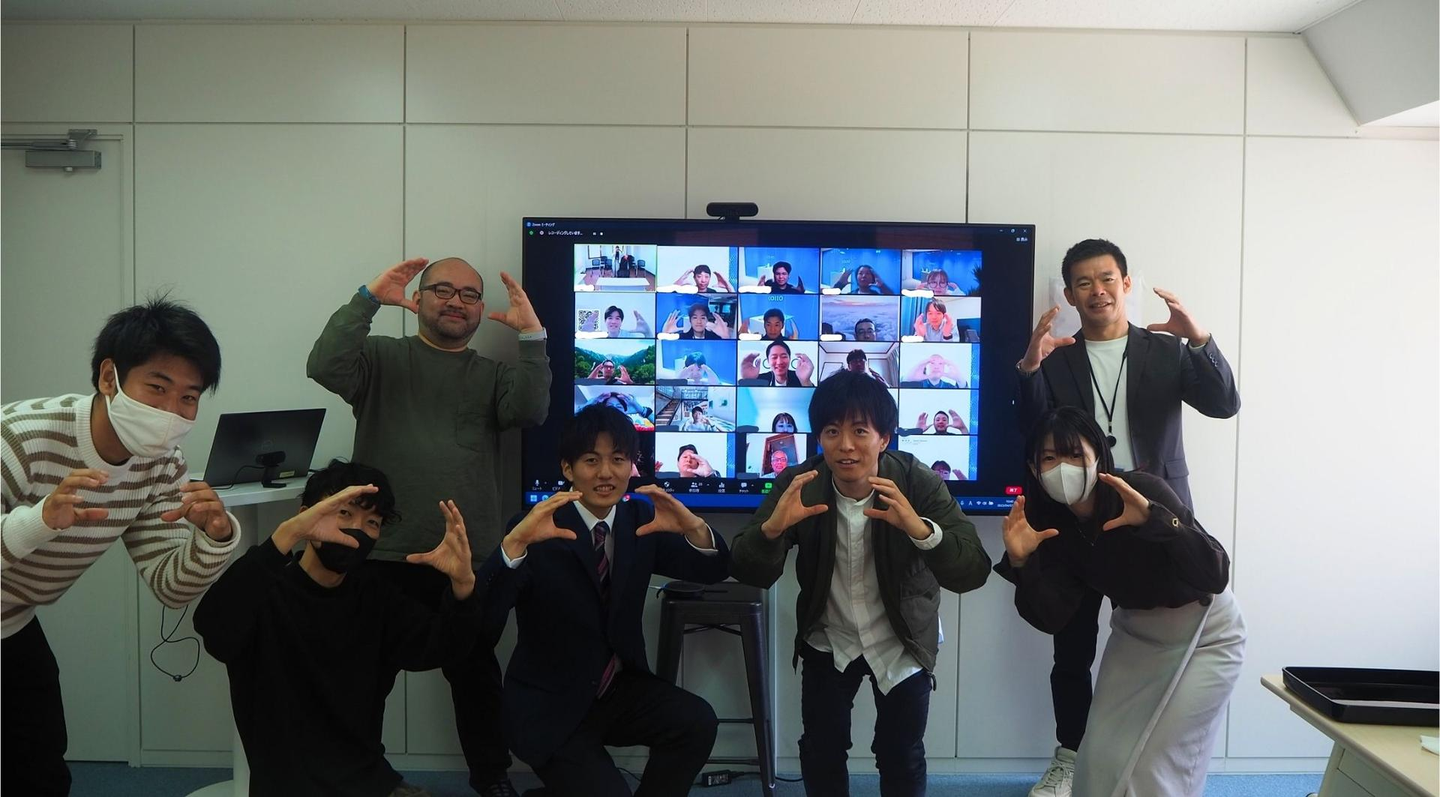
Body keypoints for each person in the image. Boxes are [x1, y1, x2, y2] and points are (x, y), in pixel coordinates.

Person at [307, 256, 551, 796]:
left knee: (476, 675)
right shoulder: (380, 357)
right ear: (417, 300)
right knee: (365, 675)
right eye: (442, 290)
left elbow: (532, 410)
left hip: (465, 557)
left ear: (480, 310)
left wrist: (532, 335)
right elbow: (324, 365)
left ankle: (491, 778)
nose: (455, 302)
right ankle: (364, 778)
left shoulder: (492, 374)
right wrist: (368, 299)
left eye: (469, 294)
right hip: (381, 550)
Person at [1014, 238, 1240, 797]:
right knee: (1072, 647)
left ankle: (1146, 756)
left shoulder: (1165, 350)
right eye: (1084, 283)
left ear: (1126, 283)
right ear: (1070, 295)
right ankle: (1070, 756)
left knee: (1157, 635)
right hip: (1080, 516)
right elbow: (1034, 432)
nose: (1097, 290)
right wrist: (1029, 369)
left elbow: (1224, 404)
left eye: (1107, 278)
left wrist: (1199, 339)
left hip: (1151, 510)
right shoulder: (1059, 356)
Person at [1, 299, 239, 795]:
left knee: (40, 767)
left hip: (12, 619)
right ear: (109, 377)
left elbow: (171, 585)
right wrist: (39, 521)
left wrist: (214, 538)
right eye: (157, 387)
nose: (171, 413)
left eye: (189, 397)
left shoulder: (161, 463)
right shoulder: (19, 436)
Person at [730, 371, 991, 797]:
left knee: (900, 753)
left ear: (884, 438)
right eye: (832, 431)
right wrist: (771, 532)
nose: (846, 445)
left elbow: (973, 569)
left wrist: (921, 530)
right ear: (819, 437)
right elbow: (748, 570)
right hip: (829, 637)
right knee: (821, 750)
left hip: (903, 639)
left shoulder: (916, 481)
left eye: (860, 431)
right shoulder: (800, 484)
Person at [476, 405, 730, 796]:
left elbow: (712, 570)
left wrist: (694, 527)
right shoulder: (538, 526)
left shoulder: (639, 520)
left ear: (632, 466)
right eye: (592, 460)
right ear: (568, 468)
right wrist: (512, 548)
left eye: (618, 459)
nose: (606, 473)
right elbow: (483, 621)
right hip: (550, 705)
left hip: (616, 692)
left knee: (697, 722)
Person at [194, 462, 482, 797]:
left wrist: (463, 587)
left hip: (368, 780)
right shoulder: (263, 590)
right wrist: (284, 537)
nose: (356, 530)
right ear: (306, 515)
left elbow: (442, 645)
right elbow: (214, 628)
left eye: (372, 523)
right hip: (288, 787)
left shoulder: (376, 595)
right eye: (344, 513)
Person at [997, 407, 1243, 797]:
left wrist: (1155, 519)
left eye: (1074, 454)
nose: (1063, 468)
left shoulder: (1141, 491)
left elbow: (1214, 572)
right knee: (1098, 758)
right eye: (1050, 458)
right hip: (1135, 634)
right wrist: (1022, 563)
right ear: (1034, 468)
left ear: (1098, 455)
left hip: (1206, 634)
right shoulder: (1051, 526)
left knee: (1158, 765)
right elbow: (1052, 617)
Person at [741, 340, 814, 387]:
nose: (779, 362)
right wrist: (748, 381)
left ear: (789, 359)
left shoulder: (799, 378)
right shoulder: (759, 380)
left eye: (784, 356)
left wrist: (806, 381)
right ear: (768, 361)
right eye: (774, 357)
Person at [664, 303, 729, 340]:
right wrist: (665, 334)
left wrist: (725, 337)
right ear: (690, 320)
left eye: (703, 318)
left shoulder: (714, 337)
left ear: (707, 320)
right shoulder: (681, 337)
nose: (699, 321)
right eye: (695, 318)